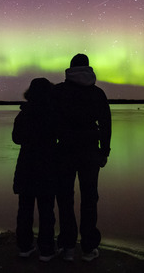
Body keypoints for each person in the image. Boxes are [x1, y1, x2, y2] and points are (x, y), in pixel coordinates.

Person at [52, 53, 111, 262]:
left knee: (65, 199)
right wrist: (104, 151)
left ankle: (68, 246)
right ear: (88, 68)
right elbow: (105, 124)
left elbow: (50, 122)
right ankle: (88, 248)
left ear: (70, 69)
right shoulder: (97, 93)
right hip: (89, 152)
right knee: (89, 199)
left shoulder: (58, 92)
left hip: (65, 151)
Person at [12, 77, 59, 261]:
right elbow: (59, 135)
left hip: (26, 165)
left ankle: (25, 246)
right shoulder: (52, 113)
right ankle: (46, 250)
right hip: (47, 165)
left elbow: (16, 138)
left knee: (25, 209)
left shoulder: (23, 114)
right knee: (46, 209)